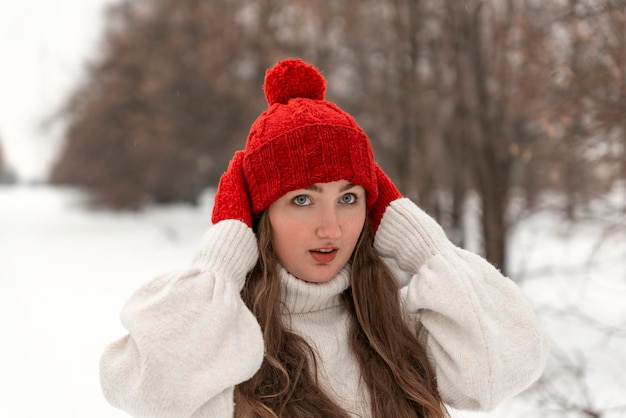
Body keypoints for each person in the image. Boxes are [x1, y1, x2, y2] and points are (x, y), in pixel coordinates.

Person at [100, 58, 549, 418]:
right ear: (260, 215)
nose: (331, 228)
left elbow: (503, 369)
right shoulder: (226, 344)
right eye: (301, 200)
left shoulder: (397, 326)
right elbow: (148, 391)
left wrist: (427, 249)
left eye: (349, 198)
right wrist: (220, 262)